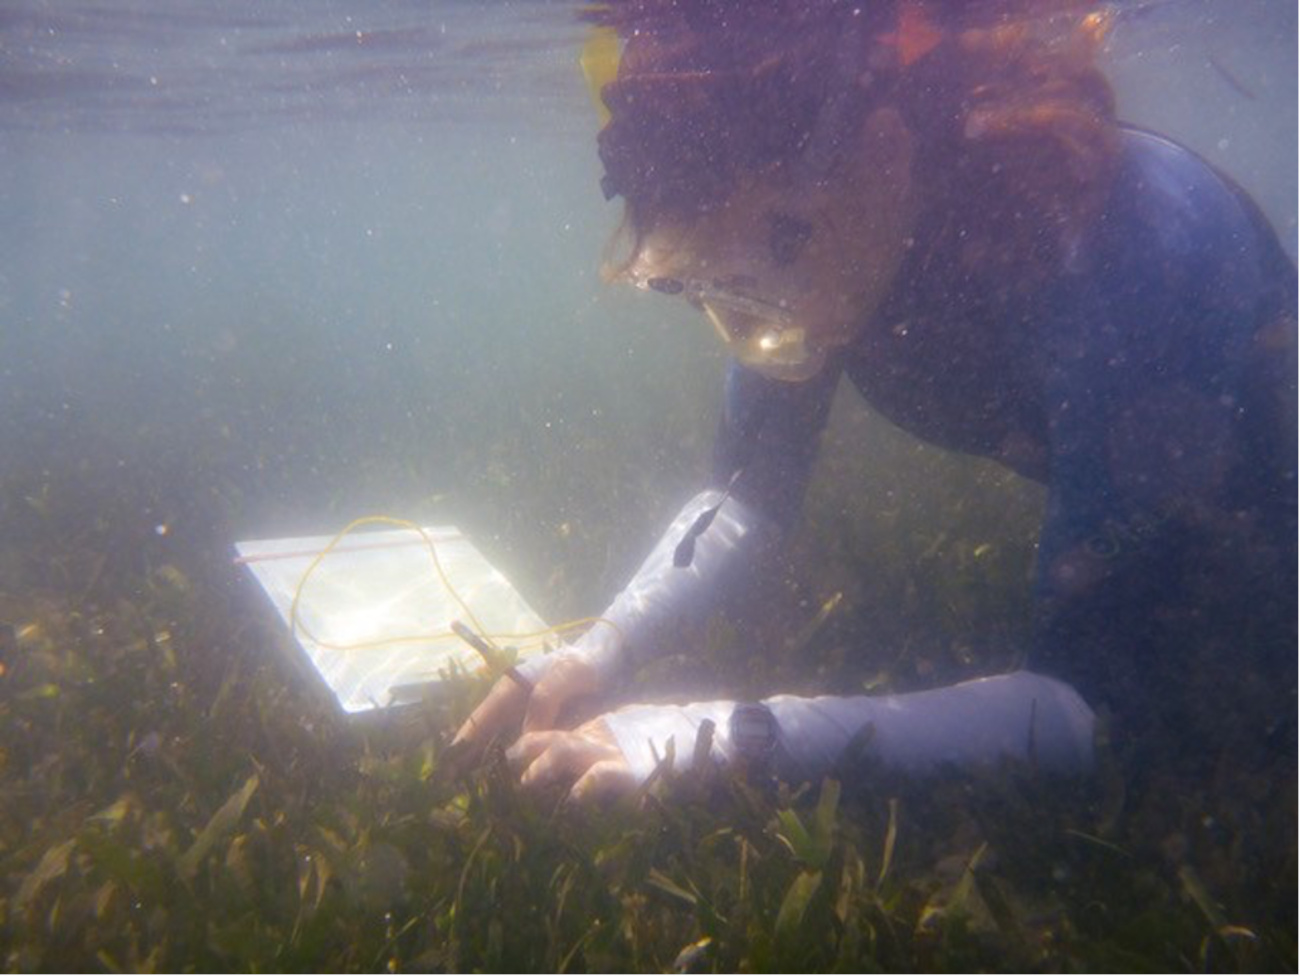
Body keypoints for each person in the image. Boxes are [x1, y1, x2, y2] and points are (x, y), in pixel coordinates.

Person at [453, 0, 1297, 803]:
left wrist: (728, 740)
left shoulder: (1121, 253)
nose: (749, 326)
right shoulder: (827, 247)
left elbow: (1090, 706)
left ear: (886, 158)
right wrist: (600, 647)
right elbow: (748, 494)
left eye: (755, 274)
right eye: (699, 286)